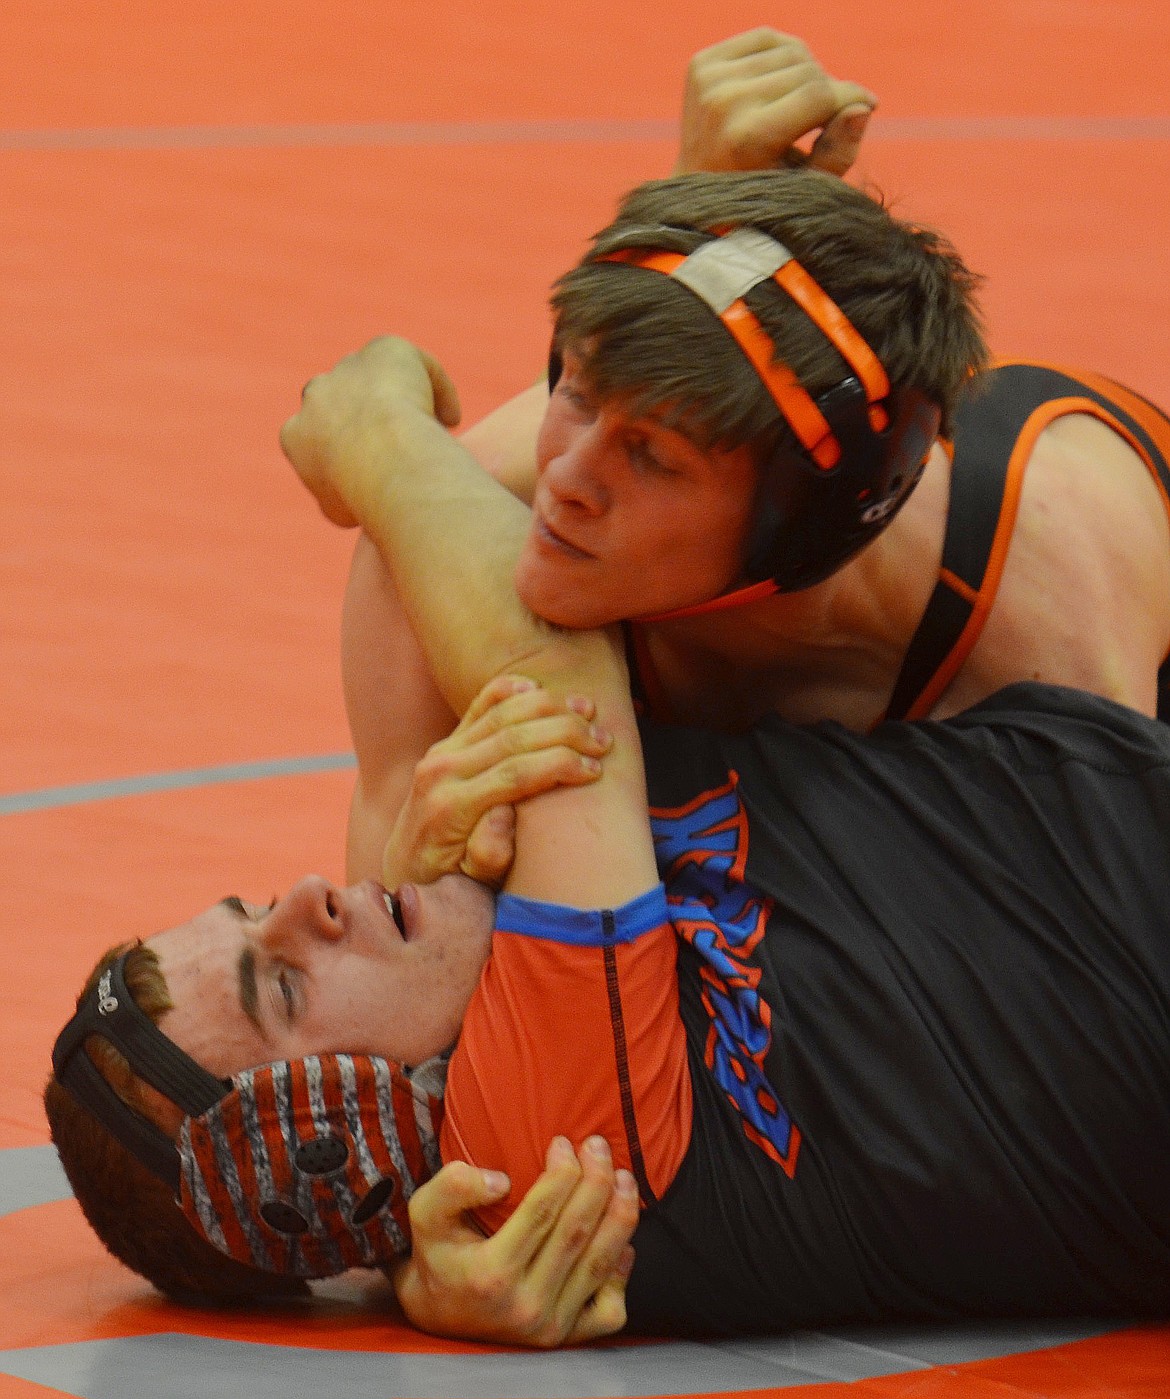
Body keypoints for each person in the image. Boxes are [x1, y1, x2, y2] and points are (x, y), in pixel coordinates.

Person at [48, 335, 1170, 1348]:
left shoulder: (455, 884)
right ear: (347, 1146)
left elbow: (514, 506)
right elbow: (541, 645)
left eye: (253, 906)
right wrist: (375, 430)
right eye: (282, 983)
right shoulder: (536, 1146)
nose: (310, 896)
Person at [326, 37, 1170, 887]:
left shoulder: (1049, 610)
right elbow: (369, 982)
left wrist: (379, 438)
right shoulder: (451, 514)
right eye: (576, 389)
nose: (566, 480)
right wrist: (412, 876)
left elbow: (1110, 986)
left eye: (651, 457)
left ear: (798, 523)